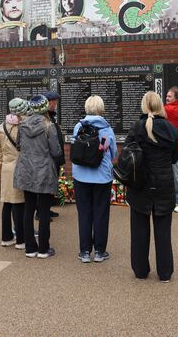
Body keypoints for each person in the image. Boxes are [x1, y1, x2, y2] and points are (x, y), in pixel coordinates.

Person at [125, 91, 177, 282]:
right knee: (163, 233)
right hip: (164, 185)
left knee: (139, 231)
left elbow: (128, 156)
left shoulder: (137, 127)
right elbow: (174, 158)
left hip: (141, 185)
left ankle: (140, 270)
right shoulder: (171, 129)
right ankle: (165, 272)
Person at [13, 95, 62, 259]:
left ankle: (30, 248)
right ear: (44, 108)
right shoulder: (49, 126)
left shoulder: (22, 125)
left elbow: (19, 146)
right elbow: (56, 151)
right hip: (44, 171)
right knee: (44, 211)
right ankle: (43, 249)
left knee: (28, 209)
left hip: (26, 170)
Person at [72, 95, 117, 263]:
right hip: (102, 178)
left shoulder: (78, 126)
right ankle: (99, 251)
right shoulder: (107, 128)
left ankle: (84, 252)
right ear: (101, 108)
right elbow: (114, 153)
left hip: (81, 177)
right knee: (101, 214)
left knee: (84, 213)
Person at [0, 98, 28, 251]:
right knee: (18, 203)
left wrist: (4, 163)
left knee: (6, 204)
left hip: (6, 168)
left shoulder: (1, 127)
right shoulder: (23, 126)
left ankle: (6, 237)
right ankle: (21, 240)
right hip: (19, 167)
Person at [44, 90, 64, 219]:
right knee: (46, 187)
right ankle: (42, 212)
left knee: (51, 186)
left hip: (54, 158)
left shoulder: (51, 116)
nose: (55, 104)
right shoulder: (45, 118)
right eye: (54, 102)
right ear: (49, 103)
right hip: (49, 159)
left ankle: (47, 209)